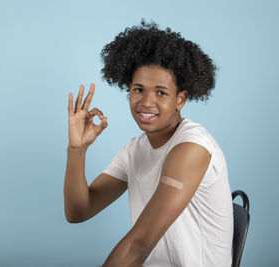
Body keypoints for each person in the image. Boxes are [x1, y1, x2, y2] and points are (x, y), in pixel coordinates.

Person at [64, 19, 233, 267]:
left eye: (161, 92)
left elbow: (139, 244)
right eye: (138, 89)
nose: (146, 102)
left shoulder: (192, 148)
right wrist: (77, 150)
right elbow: (79, 212)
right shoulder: (135, 150)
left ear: (180, 99)